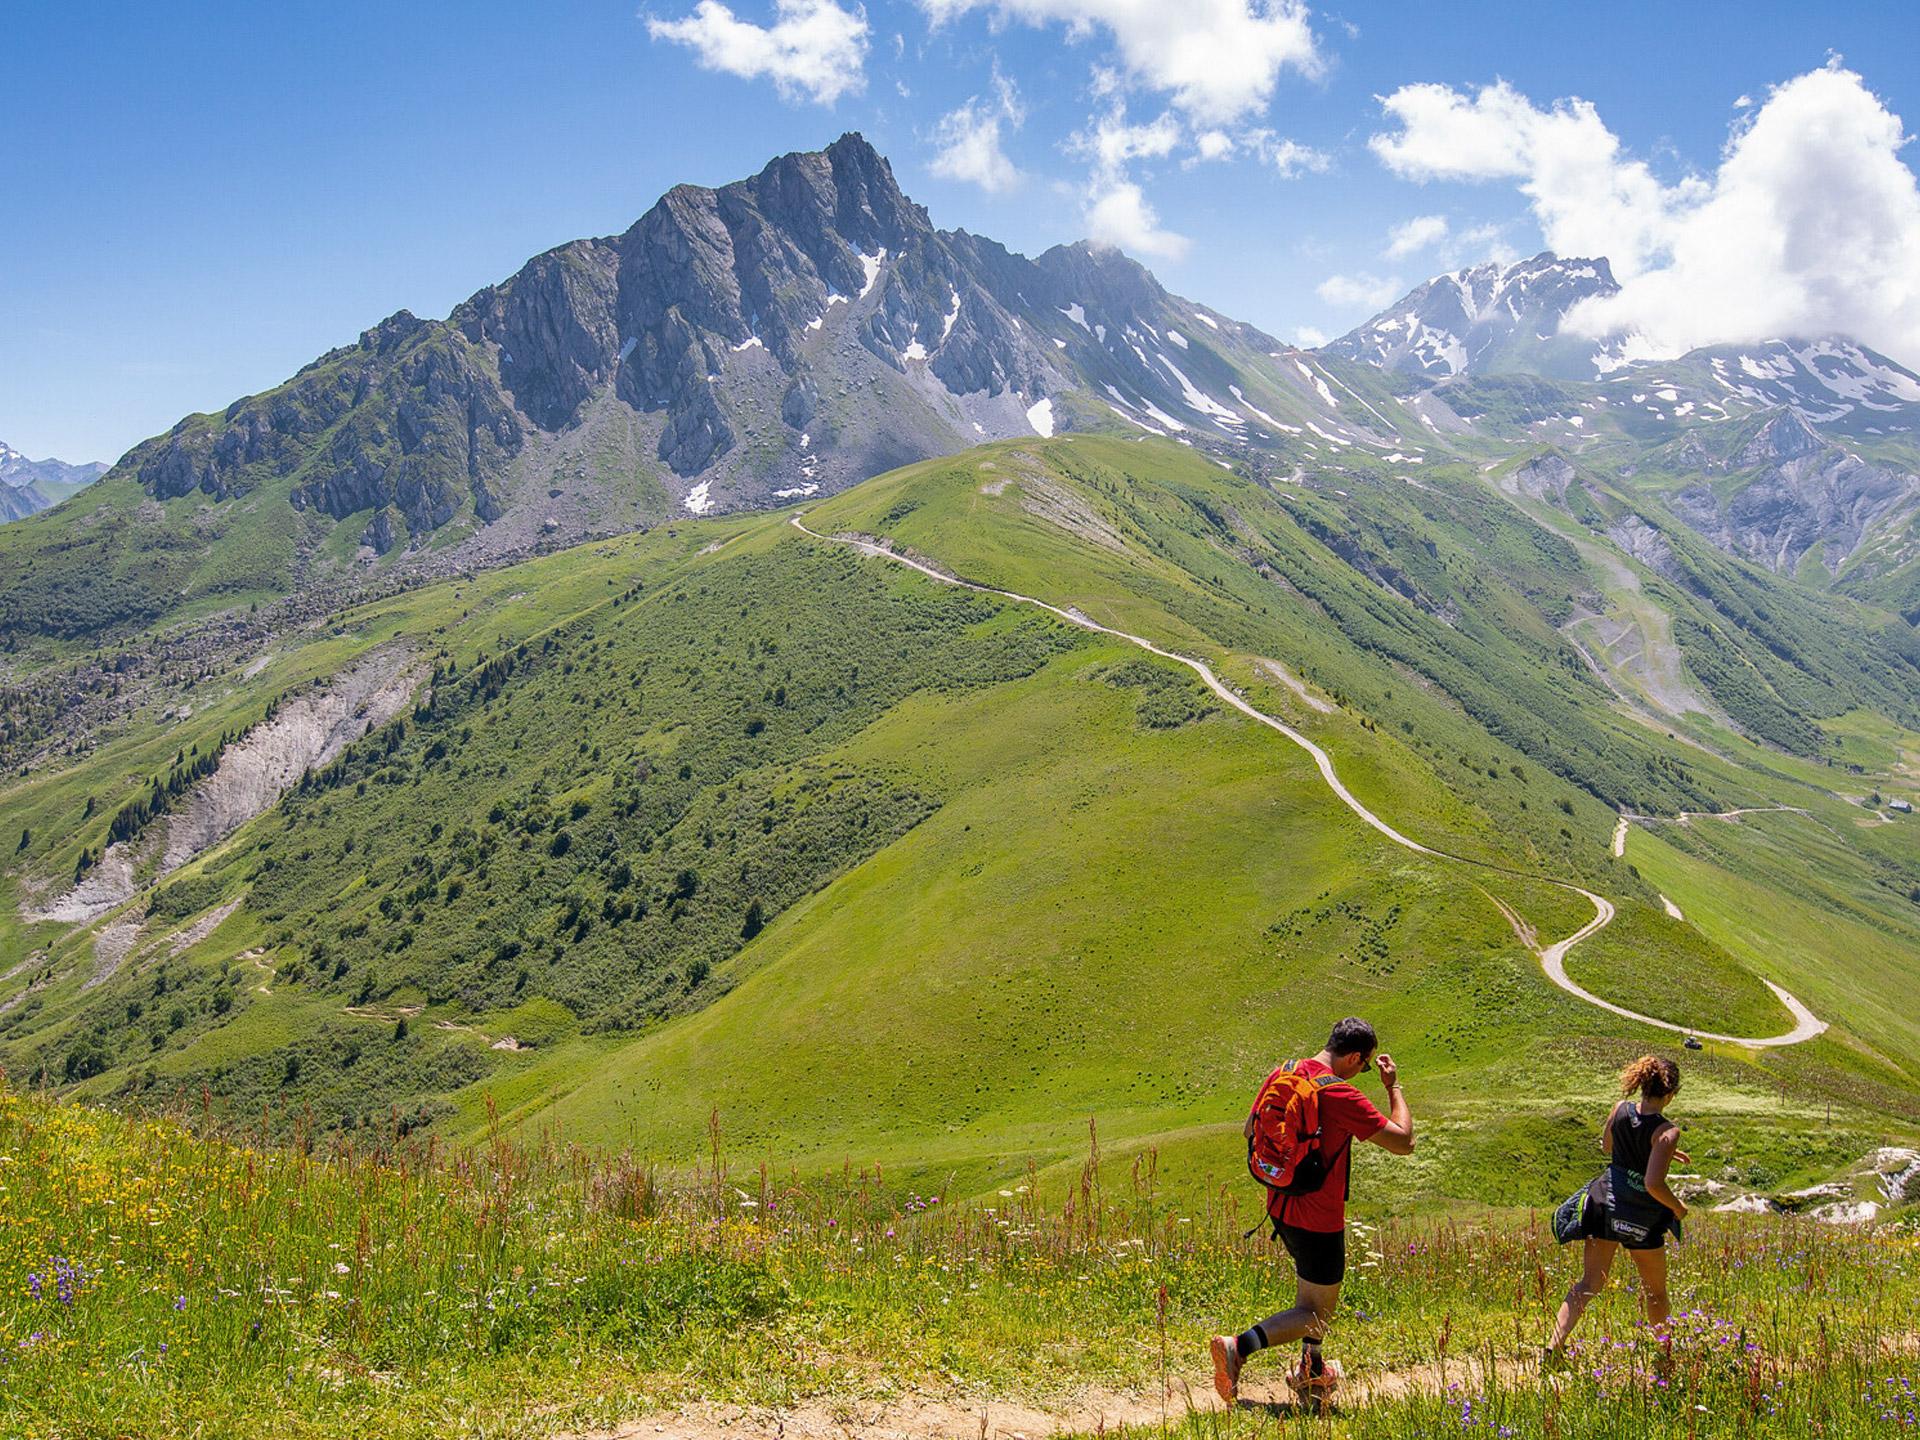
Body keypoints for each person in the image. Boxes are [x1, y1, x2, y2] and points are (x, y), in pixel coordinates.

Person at [1209, 1017, 1415, 1403]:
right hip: (1318, 1218)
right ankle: (1239, 1347)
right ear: (1354, 1056)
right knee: (1316, 1311)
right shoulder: (1340, 1095)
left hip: (1280, 1205)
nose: (1362, 1073)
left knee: (1314, 1293)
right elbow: (1403, 1142)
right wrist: (1394, 1087)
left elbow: (1249, 1130)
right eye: (1364, 1066)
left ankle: (1312, 1369)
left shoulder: (1284, 1071)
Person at [1545, 1055, 1691, 1357]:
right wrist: (1678, 1208)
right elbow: (1653, 1184)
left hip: (1604, 1204)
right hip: (1640, 1215)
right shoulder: (1667, 1131)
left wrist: (1658, 1152)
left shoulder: (1619, 1109)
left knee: (1588, 1283)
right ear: (1671, 1094)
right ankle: (1663, 1358)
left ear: (1642, 1085)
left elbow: (1609, 1147)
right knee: (1656, 1293)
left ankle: (1553, 1346)